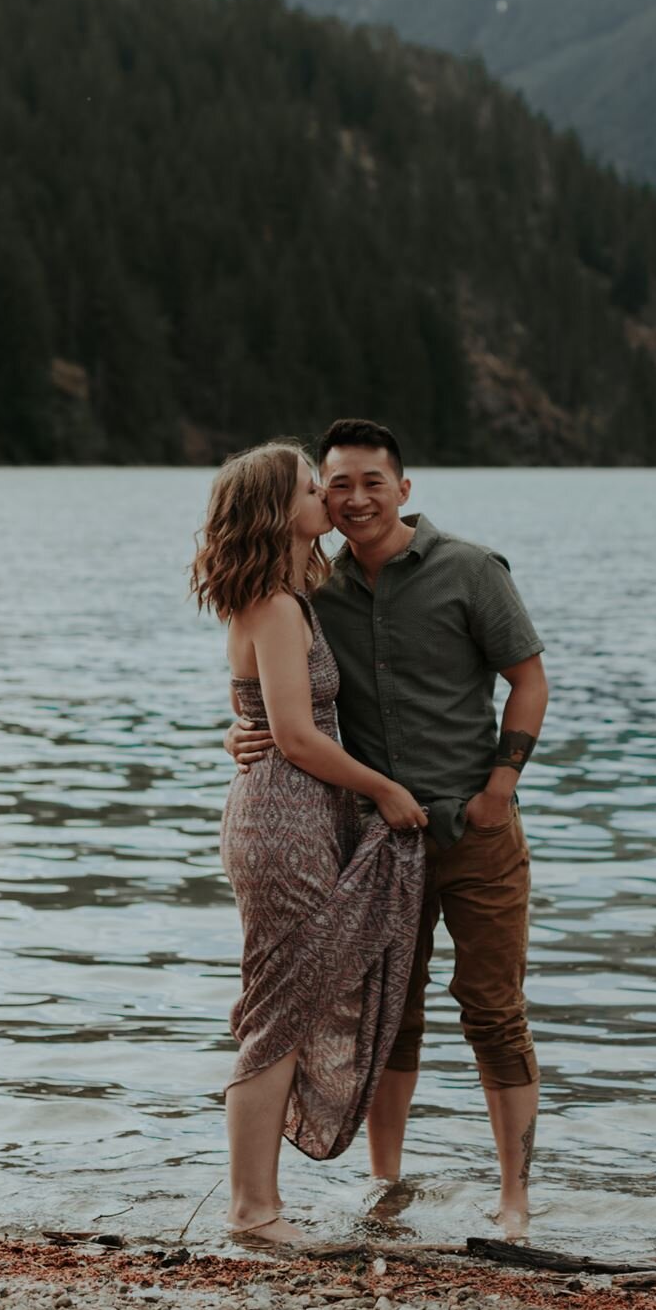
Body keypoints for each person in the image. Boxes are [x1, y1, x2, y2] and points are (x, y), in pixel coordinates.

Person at [228, 418, 549, 1234]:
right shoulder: (313, 590)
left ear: (405, 488)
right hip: (372, 840)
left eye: (374, 481)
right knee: (386, 1010)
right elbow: (278, 694)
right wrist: (242, 730)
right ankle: (384, 1186)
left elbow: (529, 680)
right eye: (336, 484)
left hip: (476, 829)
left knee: (493, 1008)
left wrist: (499, 787)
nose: (355, 497)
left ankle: (514, 1198)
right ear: (323, 498)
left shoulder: (471, 571)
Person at [191, 440, 428, 1245]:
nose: (327, 496)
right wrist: (386, 790)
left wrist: (239, 729)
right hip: (285, 819)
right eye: (308, 487)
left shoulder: (291, 592)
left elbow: (267, 714)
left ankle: (260, 1203)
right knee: (276, 1010)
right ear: (277, 511)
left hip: (294, 813)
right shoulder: (279, 605)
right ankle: (253, 1211)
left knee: (282, 1000)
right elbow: (293, 733)